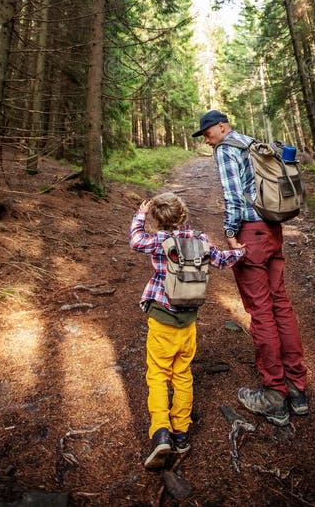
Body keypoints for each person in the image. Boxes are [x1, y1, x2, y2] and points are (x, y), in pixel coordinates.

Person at [192, 109, 308, 427]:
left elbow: (233, 196)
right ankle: (297, 388)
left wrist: (230, 233)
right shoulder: (252, 144)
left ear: (222, 127)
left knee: (262, 311)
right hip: (272, 230)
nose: (207, 138)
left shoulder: (228, 149)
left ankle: (274, 394)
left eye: (208, 132)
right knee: (280, 305)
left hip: (250, 234)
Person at [129, 190, 245, 471]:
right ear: (185, 216)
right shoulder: (200, 240)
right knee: (182, 373)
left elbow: (135, 240)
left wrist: (141, 215)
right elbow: (223, 258)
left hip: (160, 318)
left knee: (157, 374)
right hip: (187, 319)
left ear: (157, 219)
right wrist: (241, 251)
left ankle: (161, 432)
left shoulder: (159, 241)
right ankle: (181, 433)